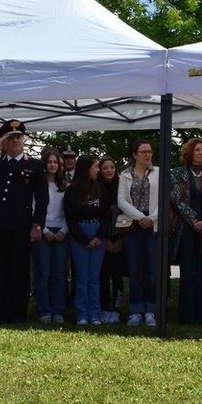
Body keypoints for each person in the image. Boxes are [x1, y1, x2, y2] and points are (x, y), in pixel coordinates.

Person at [0, 119, 48, 324]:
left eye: (18, 137)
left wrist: (37, 225)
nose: (15, 141)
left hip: (21, 227)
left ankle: (18, 312)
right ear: (3, 142)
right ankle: (3, 311)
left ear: (23, 141)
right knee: (1, 270)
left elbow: (42, 199)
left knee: (20, 270)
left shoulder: (34, 165)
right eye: (10, 138)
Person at [171, 137, 202, 325]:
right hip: (186, 228)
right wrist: (194, 221)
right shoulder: (177, 173)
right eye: (197, 149)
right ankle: (186, 315)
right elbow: (177, 200)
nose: (200, 153)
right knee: (187, 272)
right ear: (190, 152)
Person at [118, 138, 159, 326]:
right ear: (135, 155)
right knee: (135, 270)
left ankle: (150, 310)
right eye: (143, 152)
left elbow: (163, 198)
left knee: (151, 271)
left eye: (149, 151)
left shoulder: (158, 172)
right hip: (133, 227)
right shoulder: (125, 175)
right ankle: (135, 310)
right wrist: (140, 217)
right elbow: (121, 201)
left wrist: (152, 218)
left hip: (153, 226)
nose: (147, 155)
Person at [65, 155, 110, 326]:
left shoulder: (100, 189)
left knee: (94, 277)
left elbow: (107, 215)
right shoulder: (72, 191)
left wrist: (99, 236)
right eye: (95, 166)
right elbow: (70, 219)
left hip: (98, 233)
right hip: (80, 234)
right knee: (82, 277)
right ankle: (82, 314)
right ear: (86, 169)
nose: (98, 170)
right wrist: (84, 240)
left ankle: (95, 313)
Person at [33, 148, 69, 325]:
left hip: (62, 232)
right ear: (44, 164)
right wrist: (44, 230)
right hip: (43, 231)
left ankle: (58, 311)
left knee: (59, 274)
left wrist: (63, 230)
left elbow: (69, 211)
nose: (53, 165)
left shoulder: (65, 186)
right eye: (49, 162)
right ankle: (44, 310)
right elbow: (34, 209)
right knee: (43, 273)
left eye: (55, 162)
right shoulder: (37, 185)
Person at [97, 156, 126, 323]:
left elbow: (126, 214)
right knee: (103, 274)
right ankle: (104, 307)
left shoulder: (122, 188)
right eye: (105, 168)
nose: (109, 170)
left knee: (117, 275)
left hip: (120, 238)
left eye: (112, 167)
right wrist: (105, 238)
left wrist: (120, 238)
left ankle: (115, 308)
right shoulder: (96, 188)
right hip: (102, 239)